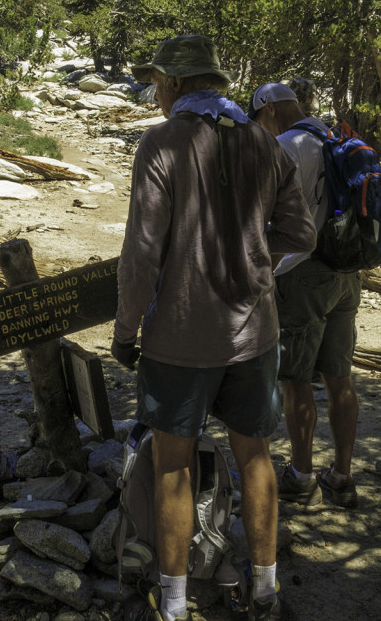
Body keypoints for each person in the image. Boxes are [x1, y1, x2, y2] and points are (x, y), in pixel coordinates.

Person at [112, 36, 316, 621]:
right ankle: (266, 591)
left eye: (156, 82)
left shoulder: (162, 143)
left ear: (175, 84)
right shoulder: (262, 141)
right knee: (255, 457)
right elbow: (301, 234)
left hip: (180, 335)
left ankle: (173, 605)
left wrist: (127, 332)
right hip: (255, 331)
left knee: (171, 463)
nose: (154, 92)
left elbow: (141, 255)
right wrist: (253, 258)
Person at [249, 82, 363, 509]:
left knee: (296, 380)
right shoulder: (336, 136)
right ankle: (342, 475)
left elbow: (260, 212)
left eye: (260, 118)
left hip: (301, 271)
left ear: (271, 109)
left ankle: (300, 475)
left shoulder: (285, 145)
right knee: (339, 376)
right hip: (346, 270)